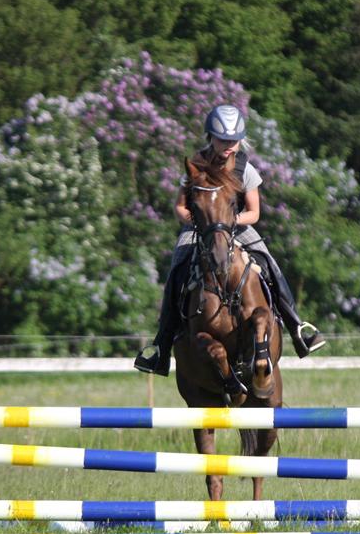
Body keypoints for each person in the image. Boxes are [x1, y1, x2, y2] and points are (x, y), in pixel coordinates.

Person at [134, 104, 326, 376]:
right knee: (177, 271)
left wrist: (228, 224)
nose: (228, 145)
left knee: (269, 264)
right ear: (210, 136)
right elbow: (179, 206)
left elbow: (254, 212)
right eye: (223, 139)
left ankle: (298, 328)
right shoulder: (196, 165)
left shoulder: (245, 169)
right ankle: (161, 348)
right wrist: (200, 223)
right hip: (199, 228)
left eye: (234, 140)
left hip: (236, 226)